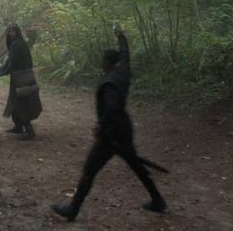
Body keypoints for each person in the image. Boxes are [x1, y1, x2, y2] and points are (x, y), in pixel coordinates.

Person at [51, 26, 166, 222]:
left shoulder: (109, 81)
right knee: (136, 166)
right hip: (124, 128)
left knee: (89, 170)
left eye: (103, 60)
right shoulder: (122, 69)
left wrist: (101, 128)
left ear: (106, 62)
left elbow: (112, 107)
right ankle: (158, 200)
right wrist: (120, 35)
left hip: (111, 134)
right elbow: (125, 53)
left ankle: (73, 209)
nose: (101, 63)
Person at [0, 24, 42, 140]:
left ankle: (29, 131)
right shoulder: (21, 43)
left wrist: (0, 71)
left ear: (17, 32)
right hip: (22, 77)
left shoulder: (17, 44)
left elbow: (12, 62)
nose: (11, 34)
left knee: (21, 102)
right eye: (10, 31)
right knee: (15, 101)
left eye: (13, 31)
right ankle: (18, 126)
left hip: (21, 79)